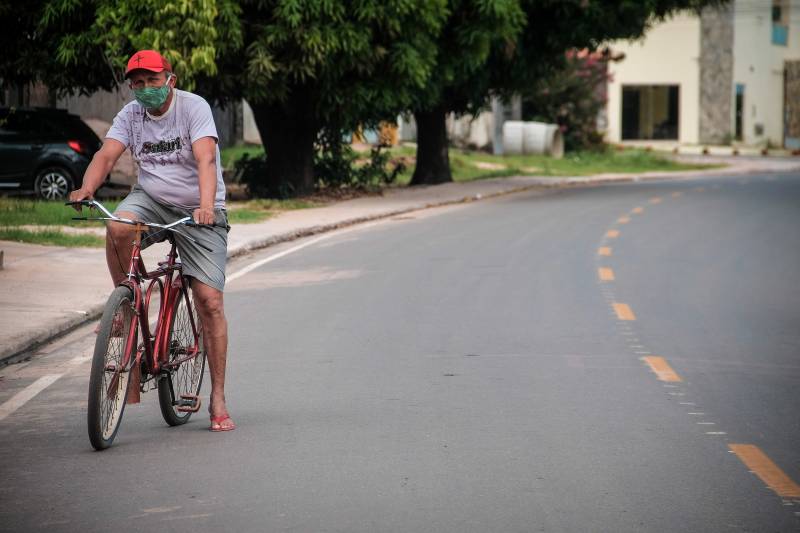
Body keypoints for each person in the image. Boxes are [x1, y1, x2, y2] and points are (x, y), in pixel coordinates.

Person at [69, 50, 235, 432]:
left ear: (170, 80)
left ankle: (218, 398)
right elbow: (106, 154)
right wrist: (86, 188)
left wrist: (207, 206)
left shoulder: (194, 108)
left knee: (209, 301)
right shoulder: (130, 115)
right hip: (151, 200)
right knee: (117, 227)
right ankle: (126, 306)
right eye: (138, 83)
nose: (146, 89)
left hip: (199, 207)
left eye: (153, 81)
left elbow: (206, 159)